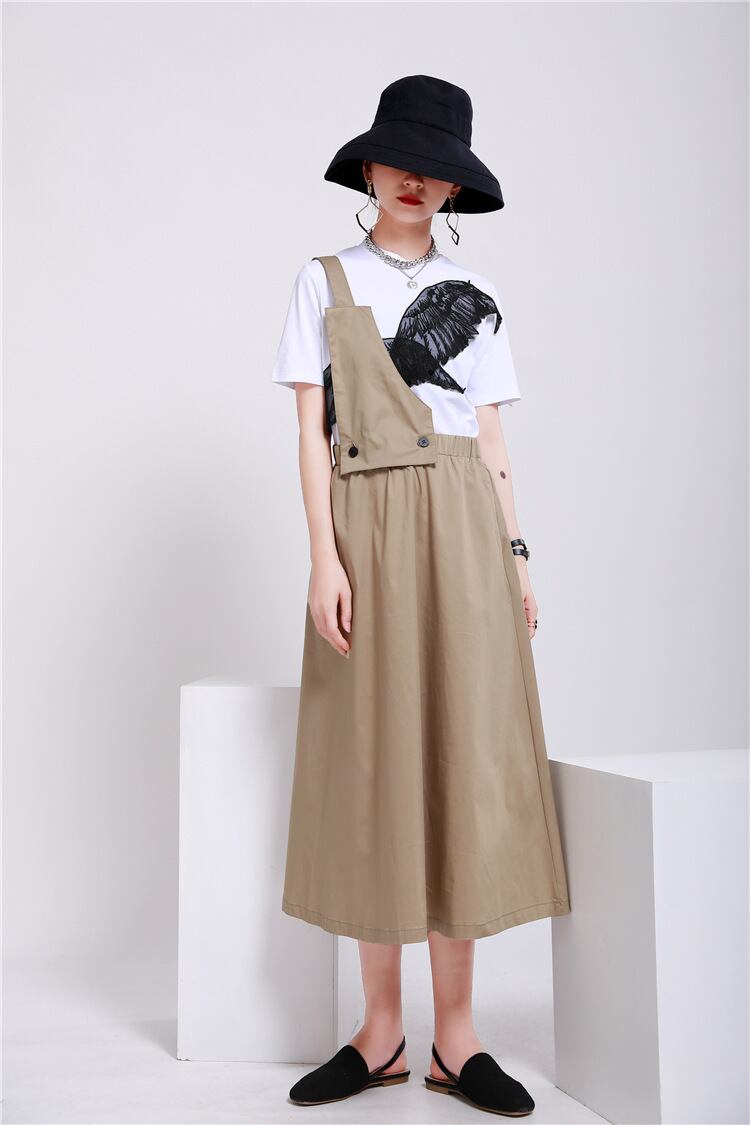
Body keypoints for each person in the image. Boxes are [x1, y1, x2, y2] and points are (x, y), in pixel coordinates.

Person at [270, 74, 571, 1117]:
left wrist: (517, 556)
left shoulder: (475, 293)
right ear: (369, 167)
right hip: (368, 525)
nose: (415, 179)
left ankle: (456, 1040)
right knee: (375, 766)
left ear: (454, 186)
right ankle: (379, 1033)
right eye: (400, 159)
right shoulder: (323, 280)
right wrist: (325, 558)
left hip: (465, 529)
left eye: (435, 167)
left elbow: (489, 436)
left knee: (460, 762)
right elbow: (310, 433)